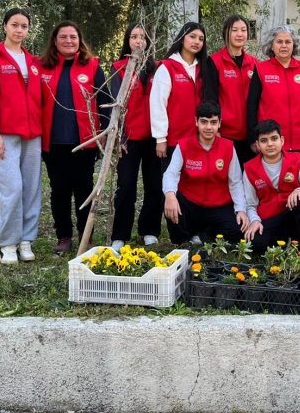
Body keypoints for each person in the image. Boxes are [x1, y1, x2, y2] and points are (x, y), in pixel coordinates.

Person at [39, 20, 110, 255]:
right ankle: (64, 236)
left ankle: (85, 236)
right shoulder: (43, 68)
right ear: (54, 40)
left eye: (73, 37)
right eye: (63, 37)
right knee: (59, 191)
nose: (68, 41)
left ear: (80, 40)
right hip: (54, 143)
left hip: (85, 142)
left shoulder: (93, 66)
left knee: (84, 190)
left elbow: (105, 102)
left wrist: (105, 132)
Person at [0, 8, 42, 265]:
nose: (19, 30)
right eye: (14, 24)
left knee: (31, 188)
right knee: (12, 189)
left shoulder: (33, 61)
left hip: (32, 133)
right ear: (5, 26)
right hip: (3, 133)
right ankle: (7, 243)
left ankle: (26, 239)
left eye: (24, 26)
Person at [162, 100, 250, 246]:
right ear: (196, 122)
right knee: (170, 197)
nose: (209, 127)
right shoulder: (184, 145)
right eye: (204, 122)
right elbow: (170, 174)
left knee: (237, 233)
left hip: (219, 205)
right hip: (191, 203)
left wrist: (241, 210)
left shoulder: (228, 147)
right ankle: (182, 241)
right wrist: (170, 195)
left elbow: (235, 182)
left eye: (213, 122)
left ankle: (205, 233)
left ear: (219, 123)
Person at [109, 23, 163, 251]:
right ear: (127, 41)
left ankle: (149, 230)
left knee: (155, 186)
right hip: (128, 139)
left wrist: (162, 136)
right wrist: (119, 138)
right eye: (134, 37)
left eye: (143, 37)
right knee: (126, 187)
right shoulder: (118, 68)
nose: (138, 41)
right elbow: (113, 106)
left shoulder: (158, 68)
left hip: (154, 137)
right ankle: (120, 234)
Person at [246, 25, 300, 165]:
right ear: (271, 45)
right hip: (270, 141)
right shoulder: (261, 69)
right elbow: (251, 107)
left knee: (298, 178)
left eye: (288, 42)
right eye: (279, 42)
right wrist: (253, 139)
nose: (284, 45)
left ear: (294, 45)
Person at [243, 119, 300, 254]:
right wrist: (254, 220)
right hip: (270, 217)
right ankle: (281, 243)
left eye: (274, 139)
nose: (270, 144)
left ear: (282, 140)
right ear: (258, 144)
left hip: (293, 213)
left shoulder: (296, 160)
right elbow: (250, 204)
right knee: (255, 244)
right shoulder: (250, 169)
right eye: (264, 140)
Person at [150, 21, 206, 168]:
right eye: (192, 37)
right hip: (174, 140)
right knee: (172, 180)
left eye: (201, 39)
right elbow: (158, 104)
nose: (197, 42)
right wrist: (160, 138)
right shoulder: (167, 67)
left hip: (200, 139)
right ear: (182, 39)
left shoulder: (204, 68)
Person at [203, 15, 257, 165]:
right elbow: (210, 99)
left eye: (243, 30)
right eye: (235, 30)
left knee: (249, 176)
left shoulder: (254, 63)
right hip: (225, 134)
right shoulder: (214, 61)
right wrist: (215, 130)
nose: (240, 34)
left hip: (250, 136)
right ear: (226, 32)